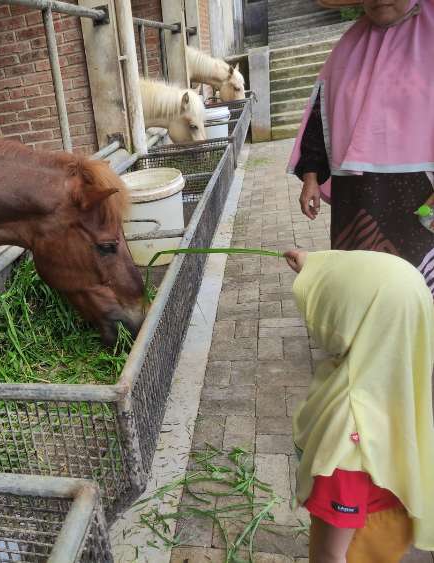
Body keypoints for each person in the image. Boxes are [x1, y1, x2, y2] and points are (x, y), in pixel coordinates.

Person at [283, 248, 434, 562]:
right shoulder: (401, 385)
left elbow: (330, 554)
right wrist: (314, 265)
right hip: (385, 539)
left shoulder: (348, 440)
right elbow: (379, 286)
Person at [287, 0, 434, 295]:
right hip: (356, 197)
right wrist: (311, 176)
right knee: (361, 287)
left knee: (417, 290)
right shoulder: (348, 48)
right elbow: (321, 117)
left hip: (420, 194)